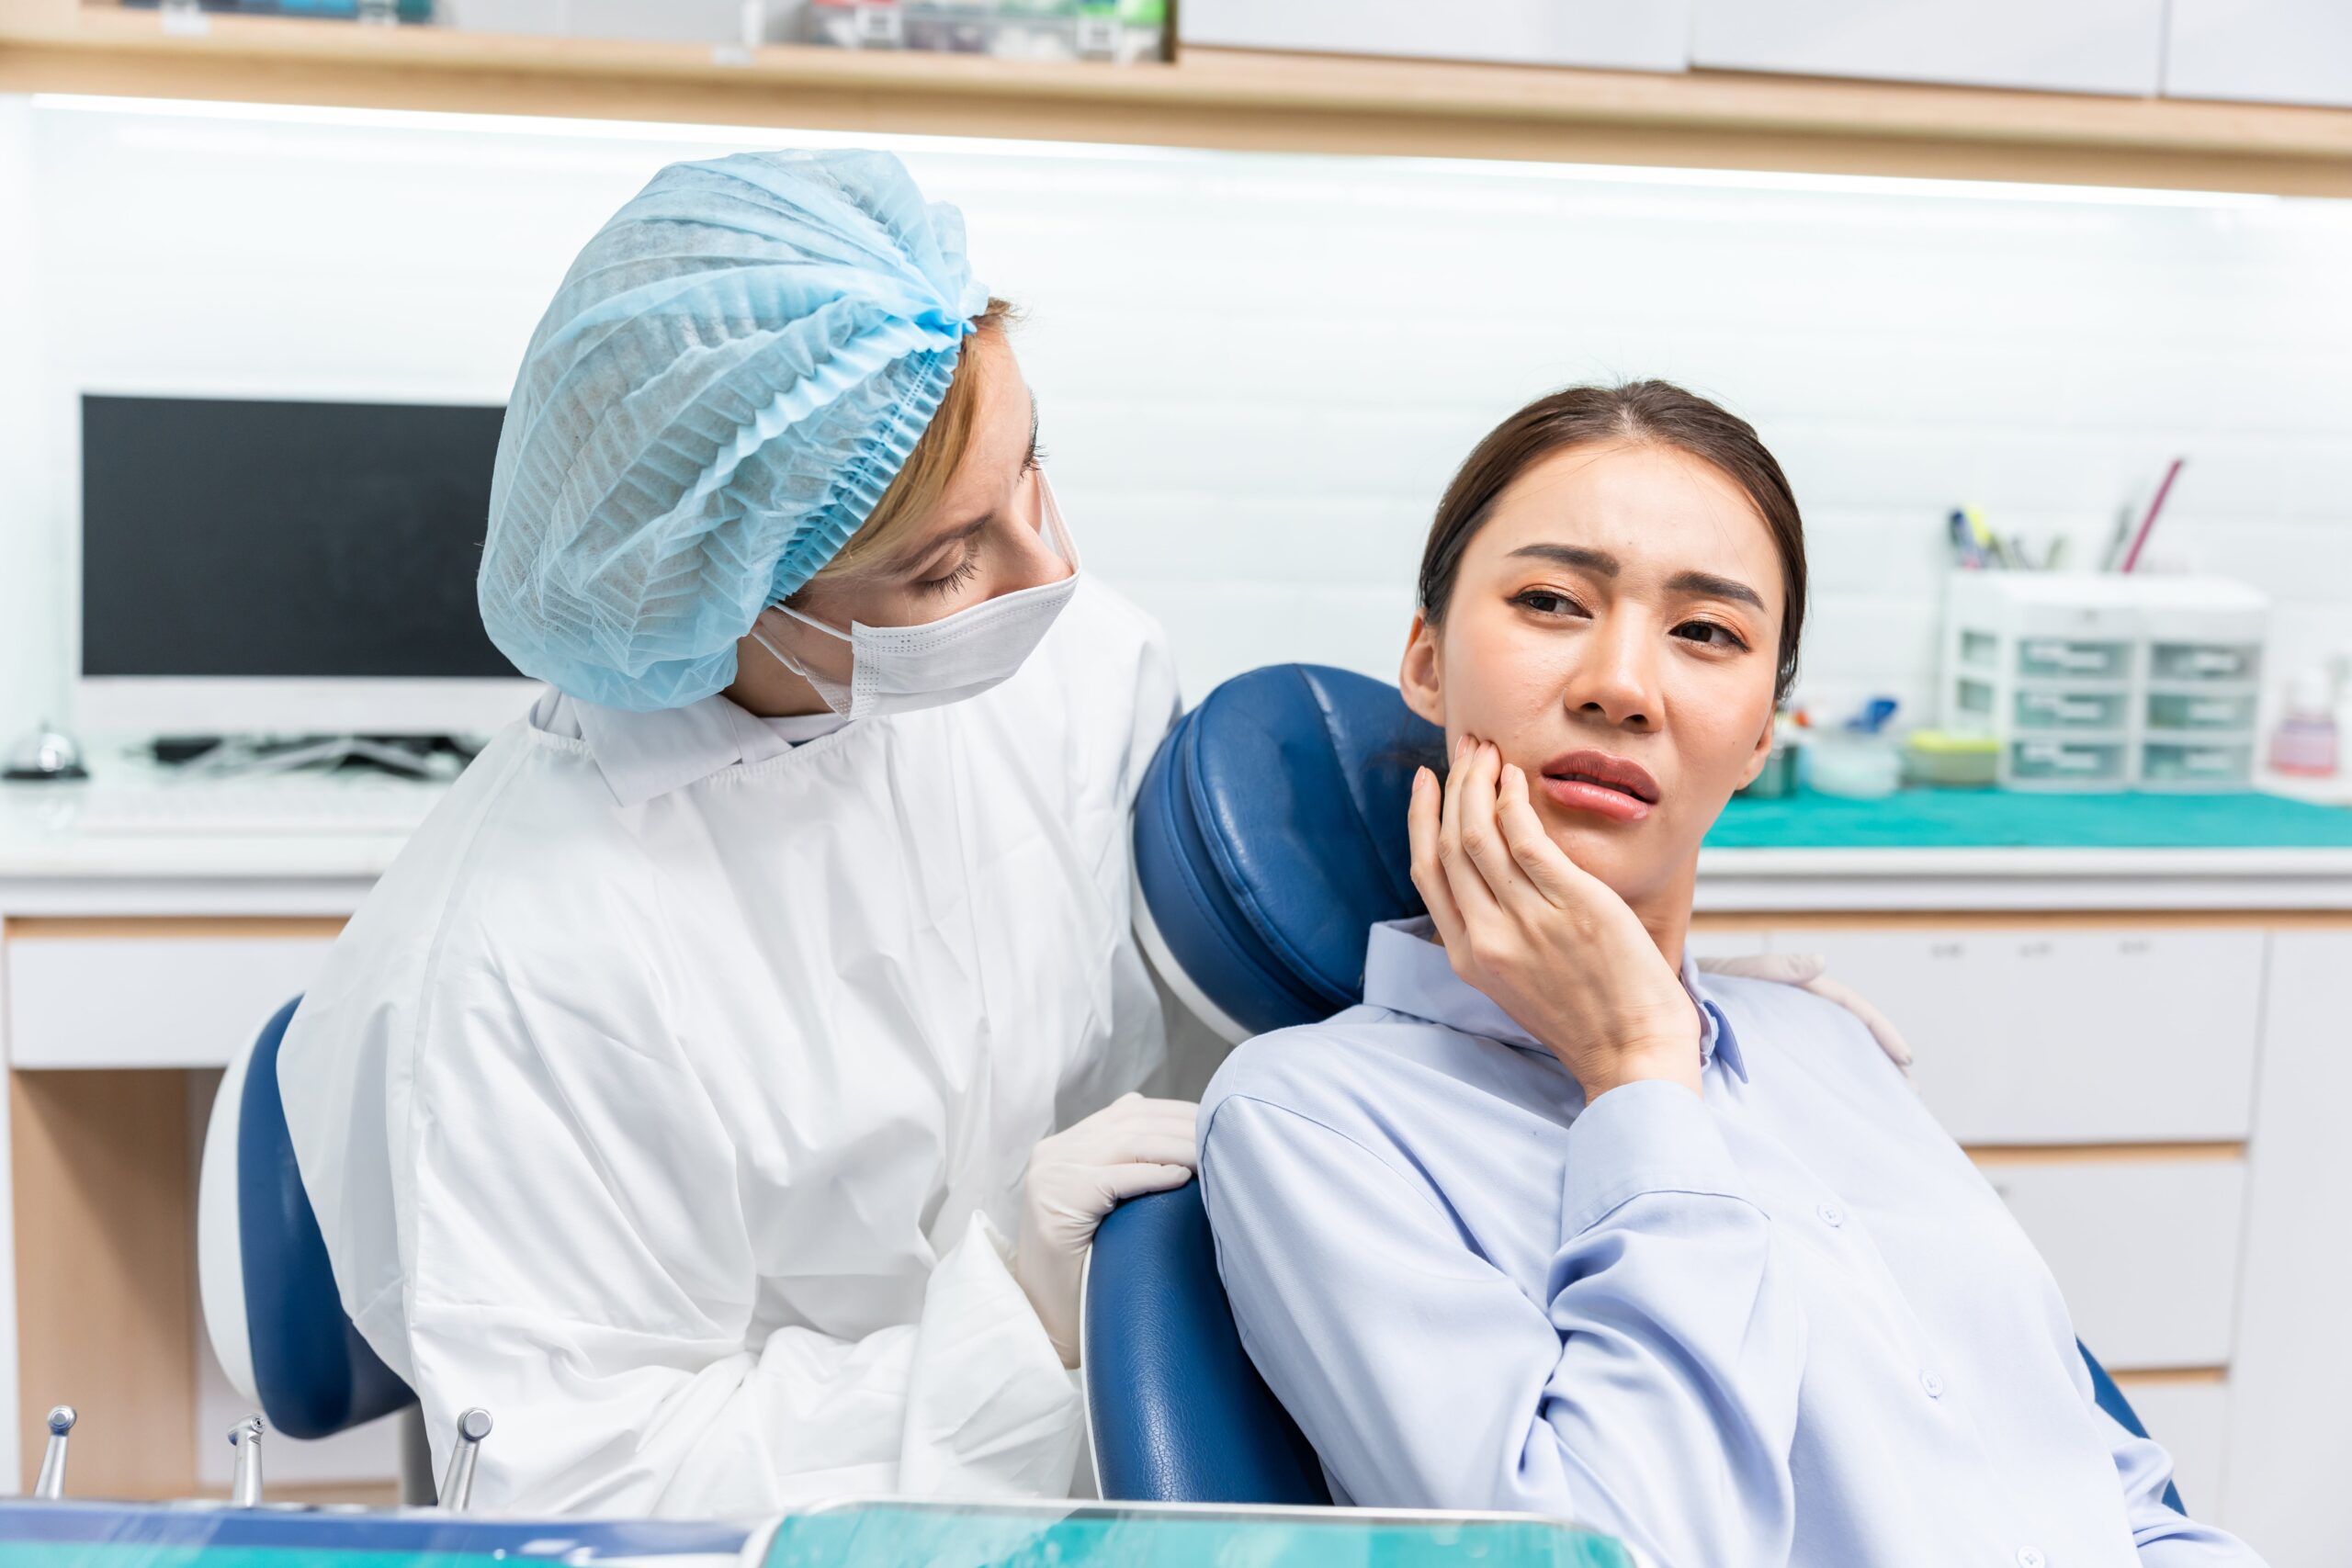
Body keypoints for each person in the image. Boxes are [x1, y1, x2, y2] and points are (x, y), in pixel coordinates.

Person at [1196, 381, 2266, 1566]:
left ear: (1764, 734)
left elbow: (2109, 1492)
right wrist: (1637, 1076)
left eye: (1706, 632)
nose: (1622, 685)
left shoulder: (1828, 1049)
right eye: (1552, 601)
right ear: (1428, 660)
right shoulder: (1313, 1123)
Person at [278, 150, 1199, 1517]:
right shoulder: (518, 964)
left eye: (1034, 472)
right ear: (722, 585)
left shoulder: (1064, 671)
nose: (1049, 575)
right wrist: (1021, 1321)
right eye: (946, 564)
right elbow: (592, 1489)